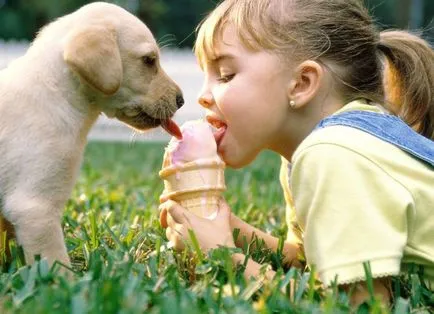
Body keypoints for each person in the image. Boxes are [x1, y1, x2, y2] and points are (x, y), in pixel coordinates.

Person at [159, 0, 434, 307]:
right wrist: (230, 229)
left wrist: (222, 256)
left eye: (225, 74)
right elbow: (307, 262)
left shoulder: (334, 154)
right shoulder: (311, 153)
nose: (202, 95)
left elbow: (359, 304)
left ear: (302, 83)